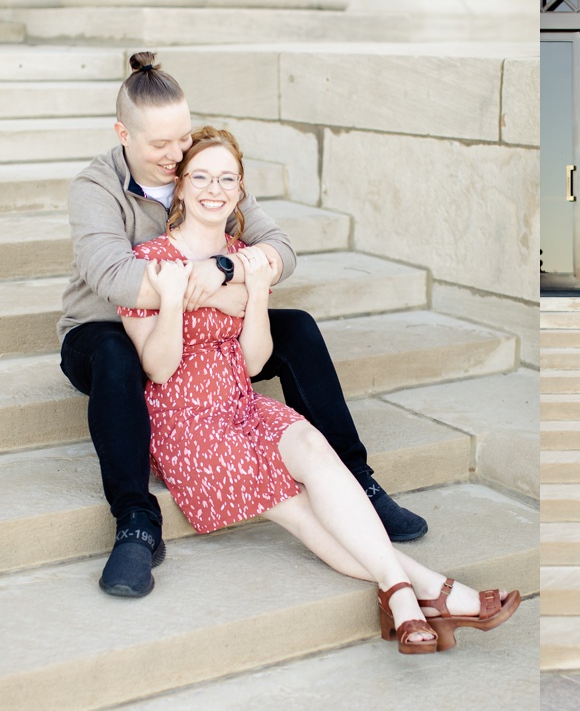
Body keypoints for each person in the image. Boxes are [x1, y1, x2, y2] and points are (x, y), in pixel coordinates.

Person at [118, 124, 519, 654]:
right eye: (201, 177)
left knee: (311, 445)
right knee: (303, 507)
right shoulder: (149, 261)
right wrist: (173, 300)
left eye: (227, 179)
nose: (213, 189)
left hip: (240, 403)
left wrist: (255, 289)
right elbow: (159, 368)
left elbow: (257, 359)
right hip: (185, 425)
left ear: (240, 190)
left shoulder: (246, 256)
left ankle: (412, 596)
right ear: (183, 187)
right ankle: (415, 592)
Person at [59, 53, 426, 599]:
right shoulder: (96, 187)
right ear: (123, 135)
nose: (175, 155)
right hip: (103, 331)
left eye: (181, 138)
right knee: (115, 352)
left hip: (204, 329)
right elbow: (115, 277)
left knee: (296, 327)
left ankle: (358, 482)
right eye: (159, 144)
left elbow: (280, 249)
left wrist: (230, 270)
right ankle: (136, 522)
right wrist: (216, 292)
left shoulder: (204, 169)